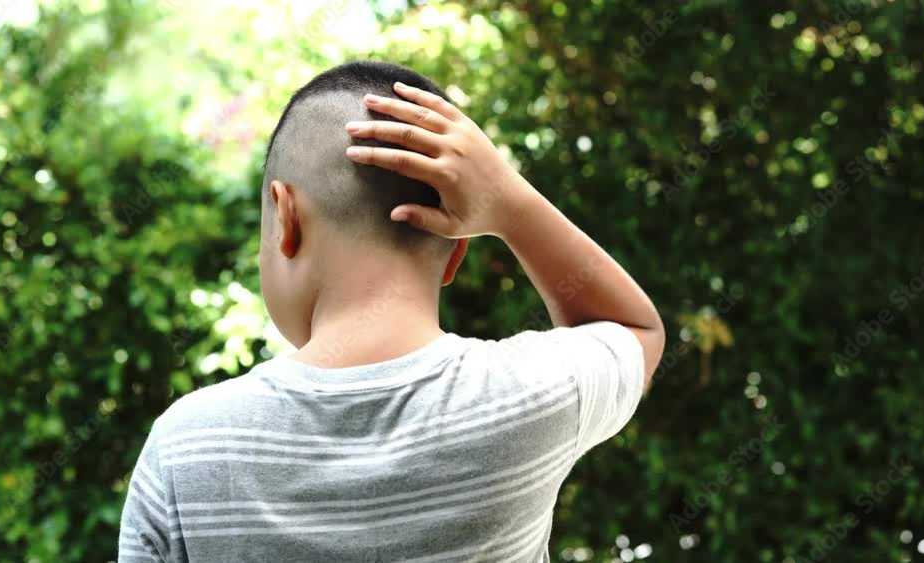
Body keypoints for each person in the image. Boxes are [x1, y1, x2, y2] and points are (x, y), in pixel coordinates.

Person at [118, 61, 665, 563]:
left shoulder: (186, 449)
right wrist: (509, 203)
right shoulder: (531, 396)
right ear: (457, 253)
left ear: (285, 218)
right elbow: (635, 329)